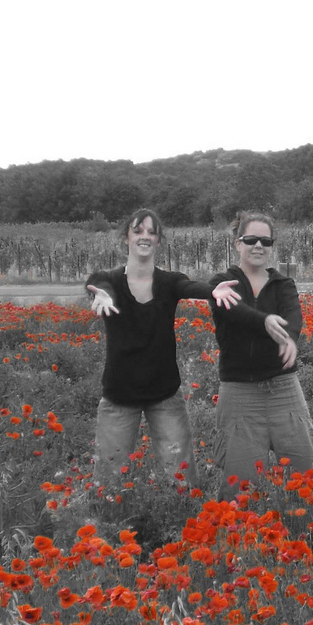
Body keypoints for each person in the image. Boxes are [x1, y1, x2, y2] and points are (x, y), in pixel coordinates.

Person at [85, 209, 241, 498]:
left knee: (181, 481)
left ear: (159, 241)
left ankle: (187, 530)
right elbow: (97, 283)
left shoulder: (169, 282)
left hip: (165, 395)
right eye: (138, 230)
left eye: (151, 232)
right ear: (126, 238)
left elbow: (189, 286)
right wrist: (101, 294)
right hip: (119, 397)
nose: (145, 236)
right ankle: (106, 532)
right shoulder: (109, 281)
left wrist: (212, 291)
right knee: (107, 484)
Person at [208, 210, 313, 492]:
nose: (258, 246)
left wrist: (291, 338)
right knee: (240, 485)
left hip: (283, 388)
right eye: (251, 240)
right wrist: (264, 321)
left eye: (265, 241)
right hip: (239, 393)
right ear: (238, 243)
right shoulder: (222, 284)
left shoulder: (283, 284)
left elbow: (293, 316)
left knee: (309, 472)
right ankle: (241, 535)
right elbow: (234, 312)